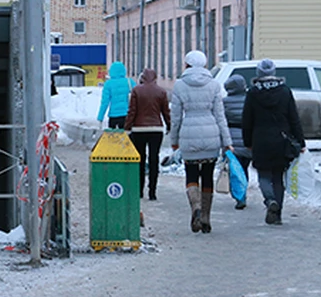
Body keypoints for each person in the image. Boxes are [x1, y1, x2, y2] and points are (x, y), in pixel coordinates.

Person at [168, 50, 233, 233]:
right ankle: (205, 218)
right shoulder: (213, 85)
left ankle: (195, 207)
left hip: (189, 134)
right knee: (207, 176)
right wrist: (226, 142)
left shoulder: (180, 85)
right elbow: (221, 117)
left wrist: (175, 142)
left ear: (187, 64)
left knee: (191, 175)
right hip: (211, 134)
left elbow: (176, 118)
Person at [242, 58, 306, 226]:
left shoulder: (253, 92)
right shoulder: (285, 91)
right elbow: (294, 118)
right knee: (278, 176)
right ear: (273, 73)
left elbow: (247, 120)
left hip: (260, 139)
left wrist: (247, 141)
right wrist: (301, 141)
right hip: (281, 139)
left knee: (263, 174)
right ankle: (277, 215)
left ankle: (270, 200)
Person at [125, 68, 171, 201]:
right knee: (154, 160)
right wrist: (169, 125)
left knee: (139, 159)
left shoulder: (136, 90)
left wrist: (127, 127)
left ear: (143, 78)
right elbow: (166, 111)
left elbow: (132, 111)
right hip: (156, 130)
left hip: (139, 130)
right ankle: (152, 191)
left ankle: (139, 190)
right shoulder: (161, 92)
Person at [222, 75, 252, 210]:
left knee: (235, 169)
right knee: (244, 168)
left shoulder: (225, 102)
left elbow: (222, 121)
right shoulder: (249, 100)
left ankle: (240, 196)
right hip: (248, 139)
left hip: (232, 139)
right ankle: (243, 193)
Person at [96, 61, 135, 130]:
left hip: (113, 116)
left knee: (113, 138)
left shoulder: (108, 84)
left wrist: (100, 117)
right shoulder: (130, 82)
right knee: (127, 137)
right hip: (127, 115)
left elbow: (105, 102)